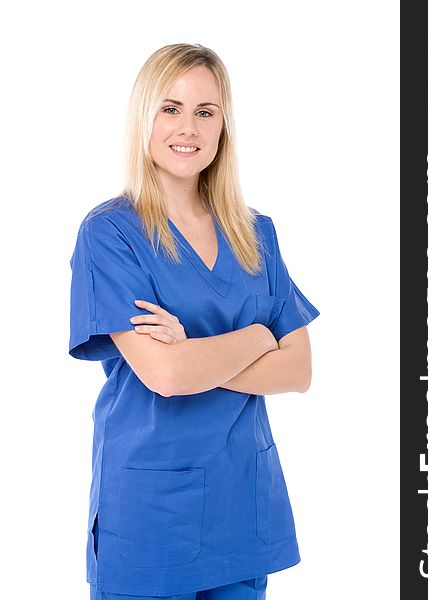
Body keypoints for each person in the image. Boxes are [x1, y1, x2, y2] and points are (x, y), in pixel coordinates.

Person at [68, 43, 320, 600]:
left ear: (223, 124)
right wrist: (259, 339)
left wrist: (196, 353)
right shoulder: (111, 235)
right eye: (171, 107)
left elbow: (299, 370)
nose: (189, 127)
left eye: (206, 111)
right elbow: (168, 376)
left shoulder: (256, 234)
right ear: (144, 118)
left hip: (242, 504)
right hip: (150, 516)